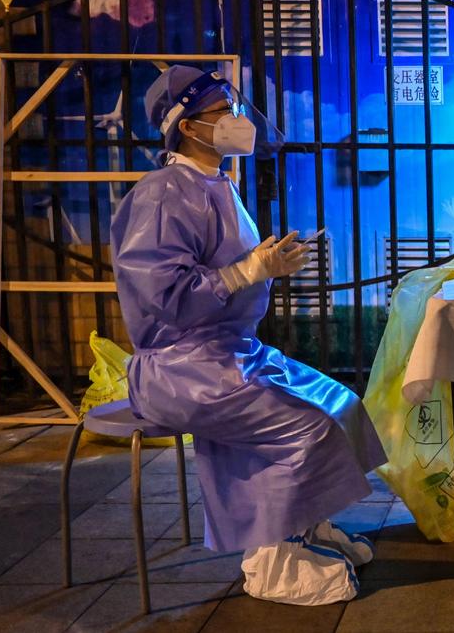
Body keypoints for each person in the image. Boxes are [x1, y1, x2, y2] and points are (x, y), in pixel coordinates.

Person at [111, 65, 387, 605]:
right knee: (304, 426)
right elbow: (162, 295)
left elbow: (227, 269)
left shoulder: (214, 184)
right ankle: (273, 560)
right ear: (188, 127)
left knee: (341, 404)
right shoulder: (163, 194)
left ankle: (305, 525)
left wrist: (265, 264)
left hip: (229, 352)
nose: (238, 119)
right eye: (224, 111)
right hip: (180, 365)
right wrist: (245, 272)